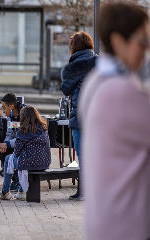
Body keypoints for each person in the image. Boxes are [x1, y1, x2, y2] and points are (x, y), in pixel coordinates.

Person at [78, 3, 150, 240]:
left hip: (105, 220)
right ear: (119, 42)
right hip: (128, 224)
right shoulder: (122, 92)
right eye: (143, 41)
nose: (146, 49)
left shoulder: (96, 80)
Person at [60, 31, 97, 200]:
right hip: (100, 116)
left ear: (73, 47)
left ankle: (84, 191)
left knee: (83, 155)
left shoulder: (73, 66)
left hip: (81, 117)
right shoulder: (100, 61)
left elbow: (65, 89)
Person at [0, 105, 51, 200]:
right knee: (24, 158)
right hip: (44, 163)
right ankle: (21, 191)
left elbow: (17, 152)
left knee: (8, 159)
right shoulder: (43, 129)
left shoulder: (23, 131)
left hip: (30, 164)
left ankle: (5, 192)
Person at [0, 93, 24, 192]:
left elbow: (22, 138)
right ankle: (14, 180)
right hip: (16, 143)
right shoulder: (10, 117)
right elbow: (9, 134)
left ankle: (19, 181)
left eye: (4, 108)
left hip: (25, 145)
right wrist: (5, 144)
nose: (3, 111)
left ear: (11, 106)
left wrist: (8, 144)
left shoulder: (24, 114)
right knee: (2, 152)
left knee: (14, 152)